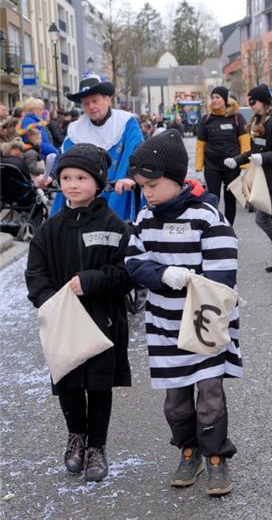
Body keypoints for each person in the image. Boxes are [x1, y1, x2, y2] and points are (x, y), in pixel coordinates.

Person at [124, 130, 241, 495]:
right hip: (164, 325)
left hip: (205, 323)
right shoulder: (145, 217)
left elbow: (222, 272)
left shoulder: (208, 217)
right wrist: (162, 275)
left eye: (154, 185)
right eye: (143, 186)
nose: (148, 194)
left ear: (175, 179)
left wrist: (189, 281)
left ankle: (216, 456)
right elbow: (133, 260)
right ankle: (187, 449)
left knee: (209, 395)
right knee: (176, 401)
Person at [25, 144, 133, 483]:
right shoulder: (50, 229)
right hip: (63, 323)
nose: (72, 184)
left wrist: (92, 281)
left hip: (103, 320)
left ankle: (96, 446)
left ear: (98, 183)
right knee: (69, 381)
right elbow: (35, 273)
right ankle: (76, 437)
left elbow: (126, 272)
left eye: (81, 178)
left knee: (99, 386)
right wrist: (47, 300)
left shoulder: (114, 225)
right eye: (67, 177)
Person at [47, 75, 143, 221]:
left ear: (107, 99)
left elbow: (137, 150)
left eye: (95, 101)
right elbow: (64, 156)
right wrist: (51, 176)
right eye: (86, 103)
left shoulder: (126, 122)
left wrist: (130, 177)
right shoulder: (75, 128)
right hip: (84, 192)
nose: (91, 107)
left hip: (116, 191)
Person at [224, 84, 272, 275]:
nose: (251, 105)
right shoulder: (259, 121)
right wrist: (237, 160)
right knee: (267, 219)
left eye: (253, 102)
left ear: (263, 101)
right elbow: (255, 150)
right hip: (264, 180)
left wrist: (264, 158)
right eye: (250, 102)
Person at [195, 86, 249, 226]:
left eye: (217, 97)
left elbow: (245, 143)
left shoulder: (237, 117)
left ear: (225, 99)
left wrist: (244, 165)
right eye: (212, 98)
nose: (214, 100)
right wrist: (199, 168)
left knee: (230, 199)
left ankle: (228, 227)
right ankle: (214, 226)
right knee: (213, 198)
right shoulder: (207, 119)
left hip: (232, 165)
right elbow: (201, 145)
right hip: (212, 165)